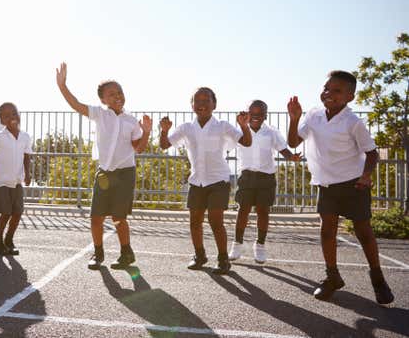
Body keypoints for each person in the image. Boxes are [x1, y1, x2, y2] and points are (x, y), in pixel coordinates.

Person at [287, 70, 394, 304]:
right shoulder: (314, 115)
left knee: (363, 232)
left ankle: (378, 278)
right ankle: (332, 277)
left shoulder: (353, 123)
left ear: (350, 97)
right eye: (326, 88)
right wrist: (294, 119)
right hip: (326, 185)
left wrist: (366, 176)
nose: (329, 93)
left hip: (353, 184)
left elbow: (372, 154)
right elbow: (293, 142)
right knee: (327, 232)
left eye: (337, 90)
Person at [56, 62, 151, 270]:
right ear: (103, 99)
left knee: (119, 217)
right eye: (111, 94)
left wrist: (146, 131)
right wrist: (62, 86)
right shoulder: (100, 114)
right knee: (96, 216)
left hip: (125, 173)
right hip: (104, 173)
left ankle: (126, 252)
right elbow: (76, 105)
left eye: (119, 92)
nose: (117, 96)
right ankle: (98, 253)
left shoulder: (131, 121)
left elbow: (139, 148)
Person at [159, 87, 251, 274]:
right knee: (194, 222)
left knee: (215, 221)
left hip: (218, 180)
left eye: (206, 100)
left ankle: (223, 259)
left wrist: (244, 126)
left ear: (214, 105)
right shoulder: (186, 127)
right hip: (197, 181)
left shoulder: (222, 126)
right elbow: (164, 145)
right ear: (192, 105)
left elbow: (246, 142)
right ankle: (199, 256)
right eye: (197, 101)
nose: (201, 104)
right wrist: (164, 130)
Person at [229, 99, 301, 264]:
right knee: (243, 210)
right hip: (247, 176)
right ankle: (237, 244)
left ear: (265, 115)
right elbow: (224, 145)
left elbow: (283, 149)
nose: (255, 117)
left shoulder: (271, 132)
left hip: (266, 177)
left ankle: (260, 245)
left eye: (259, 114)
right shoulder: (238, 130)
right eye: (252, 113)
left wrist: (292, 157)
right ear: (246, 113)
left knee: (263, 211)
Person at [0, 102, 32, 256]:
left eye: (14, 113)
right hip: (0, 181)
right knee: (6, 213)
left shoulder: (25, 137)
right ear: (2, 120)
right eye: (7, 115)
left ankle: (8, 240)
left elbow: (27, 156)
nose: (12, 117)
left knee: (17, 212)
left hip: (16, 181)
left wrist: (28, 173)